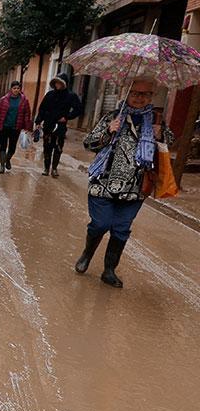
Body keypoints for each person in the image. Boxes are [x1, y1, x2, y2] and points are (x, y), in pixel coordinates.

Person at [75, 78, 173, 288]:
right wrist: (108, 131)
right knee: (100, 224)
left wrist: (160, 135)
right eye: (136, 93)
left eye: (146, 94)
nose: (140, 98)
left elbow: (169, 144)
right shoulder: (112, 117)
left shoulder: (156, 120)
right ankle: (87, 253)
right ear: (126, 93)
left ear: (151, 97)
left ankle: (109, 270)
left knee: (121, 229)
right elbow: (89, 143)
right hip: (103, 183)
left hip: (135, 188)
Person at [35, 73, 83, 178]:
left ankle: (54, 168)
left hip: (60, 126)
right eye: (56, 82)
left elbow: (78, 109)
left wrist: (67, 117)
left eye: (59, 82)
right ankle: (46, 168)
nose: (57, 84)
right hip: (48, 125)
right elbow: (42, 109)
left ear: (64, 84)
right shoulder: (49, 95)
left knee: (58, 147)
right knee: (47, 147)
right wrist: (38, 121)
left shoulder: (71, 96)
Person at [0, 81, 33, 173]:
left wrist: (27, 126)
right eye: (14, 88)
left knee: (12, 148)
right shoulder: (4, 100)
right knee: (3, 146)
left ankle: (7, 160)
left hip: (16, 127)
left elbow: (27, 114)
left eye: (18, 88)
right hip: (4, 126)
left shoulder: (24, 101)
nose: (16, 90)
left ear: (20, 89)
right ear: (11, 89)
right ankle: (2, 166)